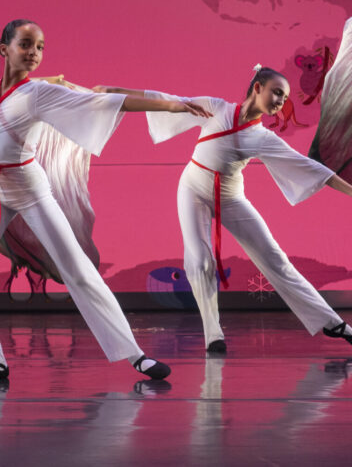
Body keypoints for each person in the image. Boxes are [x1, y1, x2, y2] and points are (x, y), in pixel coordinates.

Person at [0, 19, 212, 384]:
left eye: (40, 47)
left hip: (30, 189)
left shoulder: (39, 94)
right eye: (26, 45)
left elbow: (102, 102)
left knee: (76, 268)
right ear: (3, 49)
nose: (34, 53)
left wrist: (172, 106)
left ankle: (135, 355)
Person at [96, 66, 352, 353]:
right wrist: (114, 92)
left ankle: (332, 321)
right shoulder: (215, 108)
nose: (281, 101)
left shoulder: (264, 138)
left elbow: (313, 169)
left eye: (285, 97)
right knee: (200, 261)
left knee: (275, 258)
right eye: (277, 92)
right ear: (257, 88)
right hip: (192, 190)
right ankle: (212, 333)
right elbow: (165, 100)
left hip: (231, 198)